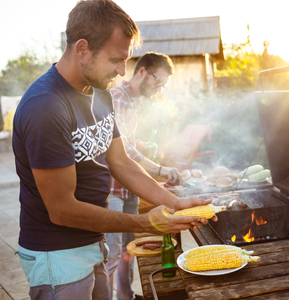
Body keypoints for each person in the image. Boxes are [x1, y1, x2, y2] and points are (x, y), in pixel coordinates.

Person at [12, 1, 215, 299]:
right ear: (82, 49)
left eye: (127, 60)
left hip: (94, 243)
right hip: (57, 255)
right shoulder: (46, 106)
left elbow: (121, 162)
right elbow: (62, 210)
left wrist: (174, 202)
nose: (122, 72)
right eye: (115, 60)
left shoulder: (101, 95)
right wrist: (144, 223)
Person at [107, 52, 182, 300]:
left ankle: (125, 296)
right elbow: (122, 152)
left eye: (163, 86)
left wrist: (140, 144)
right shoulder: (117, 98)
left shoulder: (135, 101)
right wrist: (159, 170)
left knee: (129, 250)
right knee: (113, 253)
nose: (159, 89)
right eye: (158, 82)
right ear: (142, 72)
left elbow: (126, 140)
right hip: (112, 190)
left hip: (128, 189)